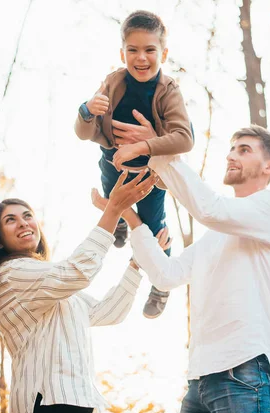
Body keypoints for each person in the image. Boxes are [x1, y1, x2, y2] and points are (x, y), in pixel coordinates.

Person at [92, 125, 270, 413]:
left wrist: (156, 150)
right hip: (198, 382)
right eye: (231, 148)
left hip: (246, 370)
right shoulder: (214, 236)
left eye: (244, 149)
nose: (231, 155)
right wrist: (131, 219)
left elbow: (209, 209)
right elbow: (166, 275)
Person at [0, 170, 158, 413]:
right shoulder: (11, 274)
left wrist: (137, 263)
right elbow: (77, 271)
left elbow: (107, 312)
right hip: (46, 411)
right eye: (10, 220)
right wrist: (113, 209)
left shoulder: (48, 285)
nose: (23, 223)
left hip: (76, 411)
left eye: (27, 215)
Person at [75, 9, 194, 319]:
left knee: (155, 227)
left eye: (150, 50)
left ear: (163, 53)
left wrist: (142, 145)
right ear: (122, 52)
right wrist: (87, 111)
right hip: (112, 162)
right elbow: (84, 133)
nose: (141, 58)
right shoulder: (113, 82)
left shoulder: (168, 91)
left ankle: (161, 284)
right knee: (108, 189)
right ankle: (119, 224)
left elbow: (185, 138)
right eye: (133, 50)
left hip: (150, 176)